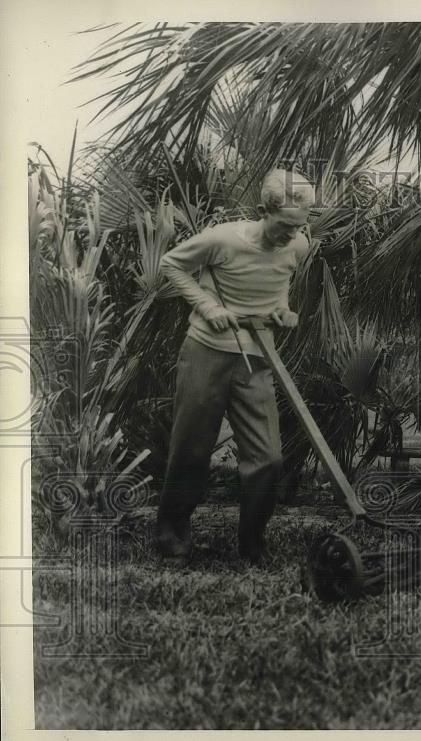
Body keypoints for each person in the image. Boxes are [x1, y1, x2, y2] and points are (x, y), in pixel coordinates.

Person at [153, 169, 314, 565]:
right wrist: (208, 306)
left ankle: (252, 542)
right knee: (191, 448)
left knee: (268, 457)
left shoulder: (298, 246)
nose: (290, 236)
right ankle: (171, 532)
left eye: (299, 227)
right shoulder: (222, 239)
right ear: (263, 211)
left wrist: (282, 310)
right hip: (206, 350)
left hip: (257, 355)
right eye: (284, 226)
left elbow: (280, 283)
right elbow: (170, 264)